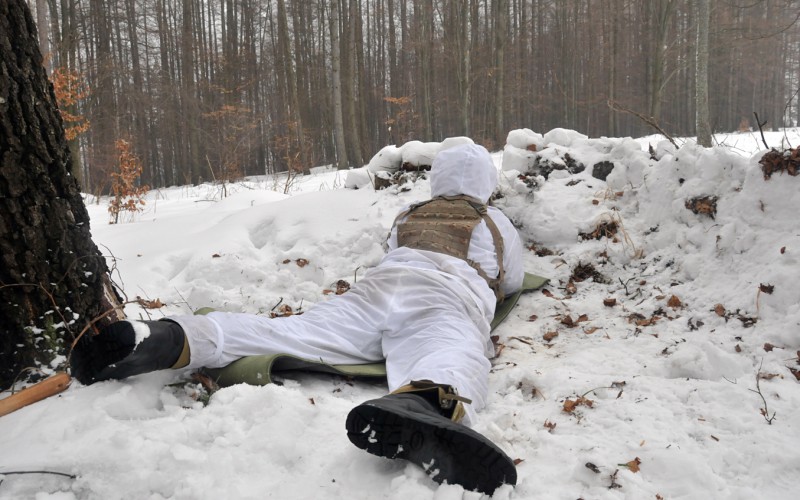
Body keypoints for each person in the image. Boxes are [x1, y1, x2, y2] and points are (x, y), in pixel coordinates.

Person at [71, 143, 524, 495]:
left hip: (378, 290)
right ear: (485, 182)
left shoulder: (409, 213)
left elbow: (394, 249)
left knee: (292, 331)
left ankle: (172, 337)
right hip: (444, 297)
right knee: (449, 348)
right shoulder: (495, 221)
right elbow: (509, 281)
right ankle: (421, 401)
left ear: (437, 179)